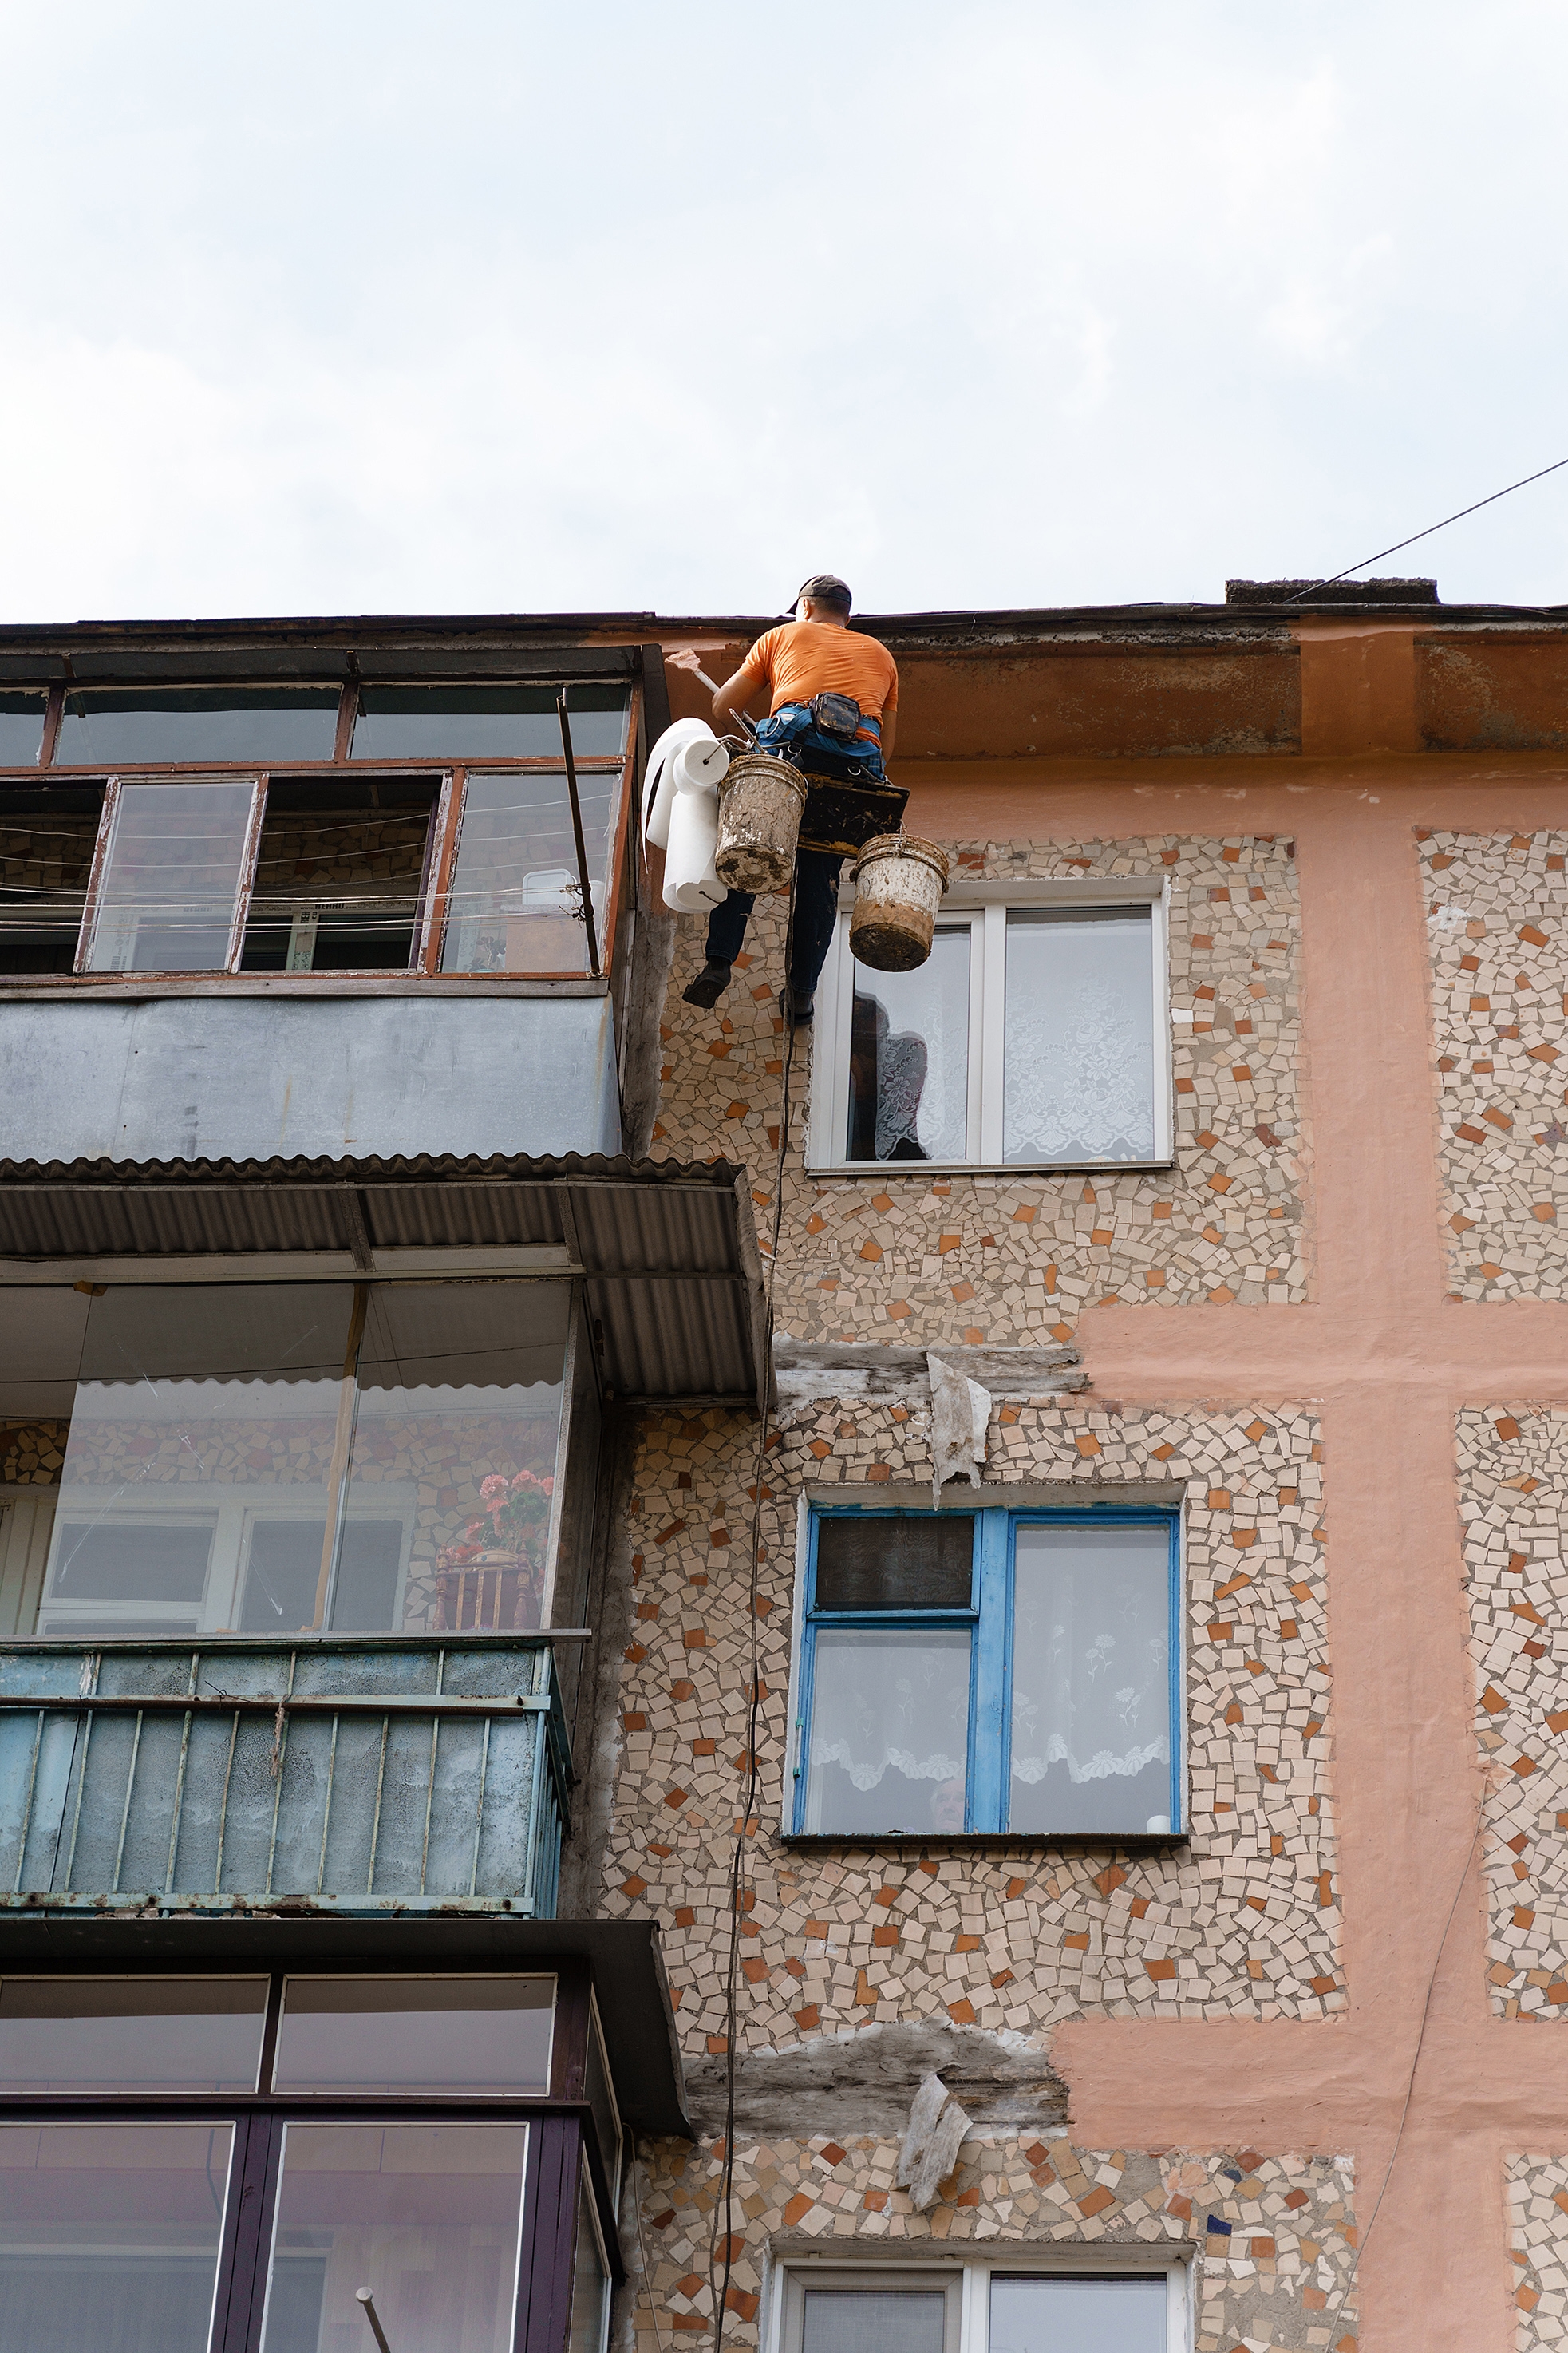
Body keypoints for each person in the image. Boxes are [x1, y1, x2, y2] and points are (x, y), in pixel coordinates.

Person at [682, 574, 899, 1022]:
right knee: (820, 886)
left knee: (748, 849)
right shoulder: (882, 655)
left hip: (790, 761)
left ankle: (719, 962)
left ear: (804, 608)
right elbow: (887, 748)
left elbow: (723, 707)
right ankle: (802, 993)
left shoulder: (781, 636)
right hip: (851, 777)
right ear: (848, 617)